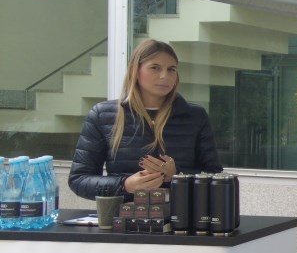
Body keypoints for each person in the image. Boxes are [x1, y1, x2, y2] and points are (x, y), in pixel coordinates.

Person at [68, 39, 222, 199]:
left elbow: (215, 176)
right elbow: (79, 180)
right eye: (155, 68)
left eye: (171, 69)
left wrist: (177, 176)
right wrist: (125, 185)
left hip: (180, 212)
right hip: (125, 212)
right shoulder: (103, 115)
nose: (164, 76)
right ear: (135, 71)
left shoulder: (195, 116)